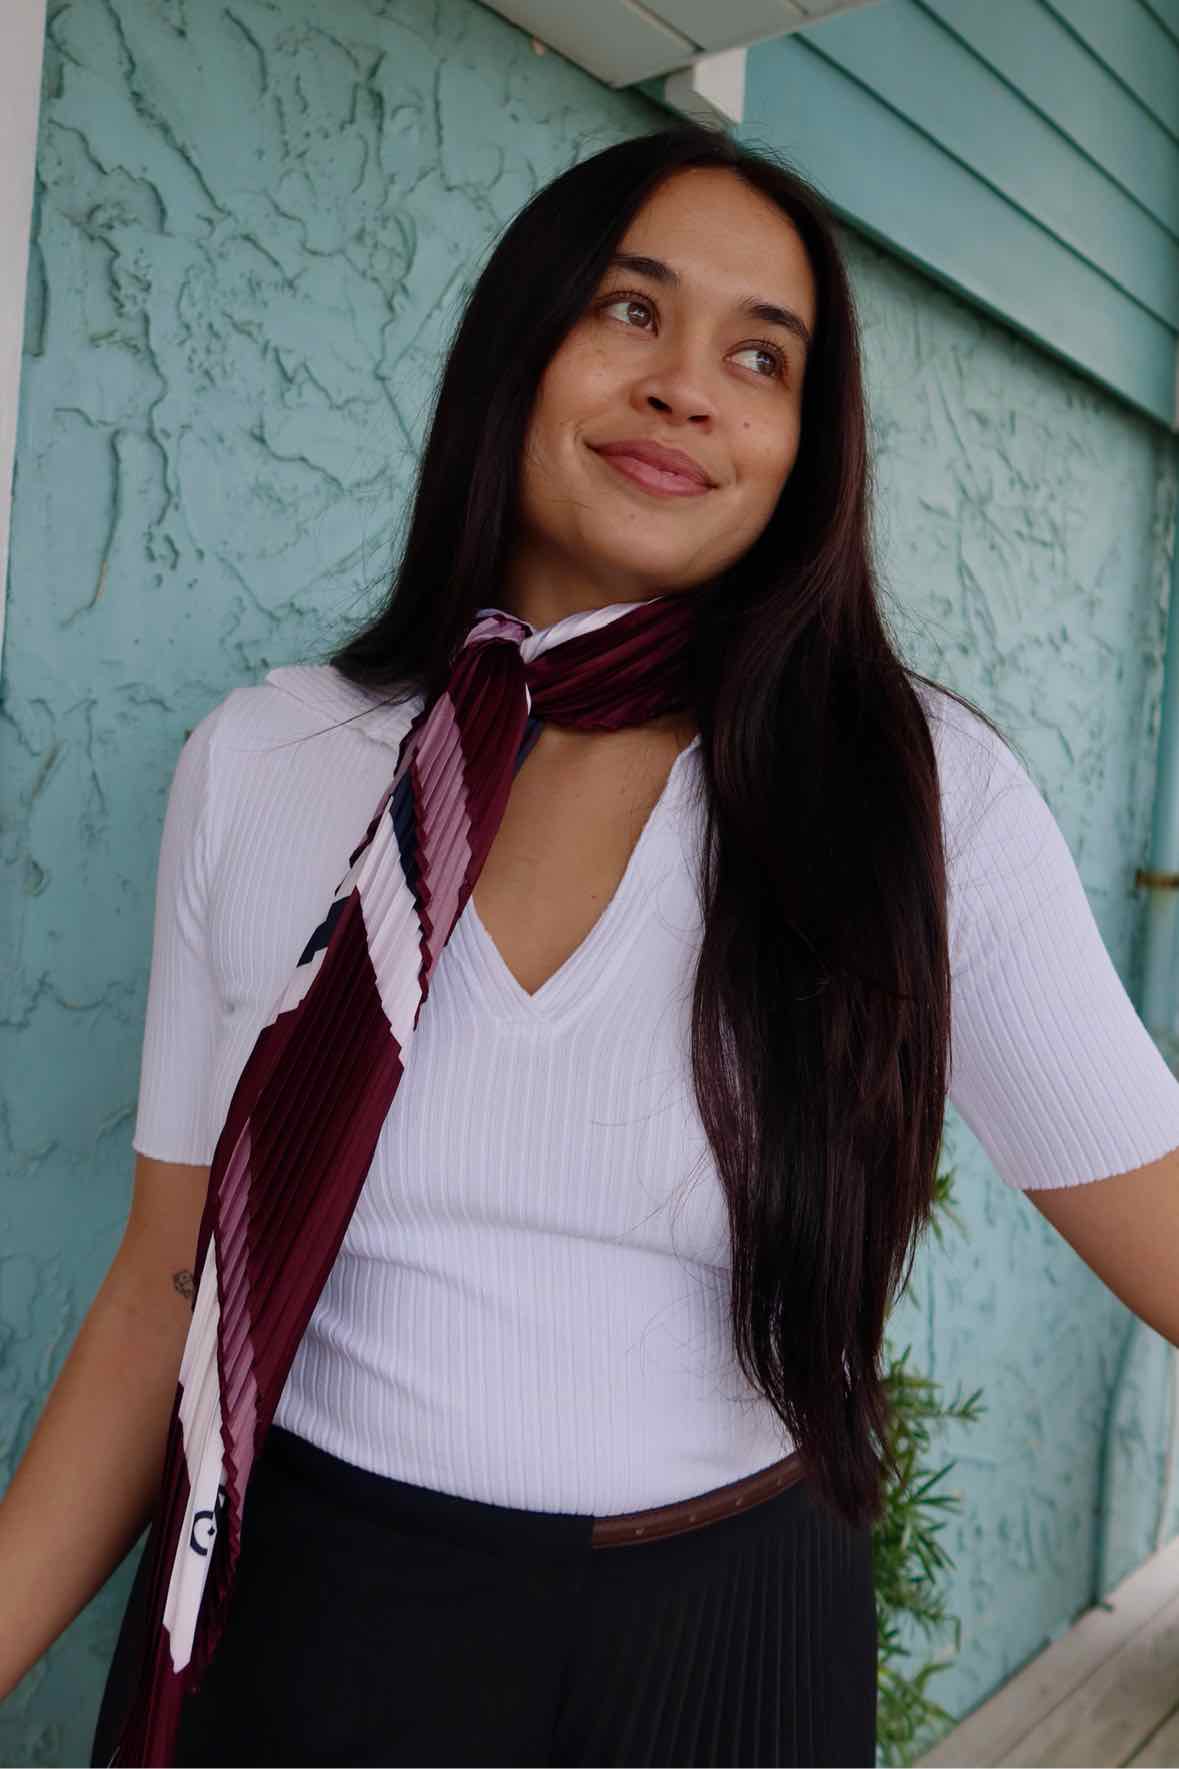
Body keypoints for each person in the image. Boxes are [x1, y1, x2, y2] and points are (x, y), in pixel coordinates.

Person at [4, 121, 1179, 1769]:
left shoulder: (910, 797)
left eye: (760, 356)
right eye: (632, 310)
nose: (687, 386)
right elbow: (163, 1293)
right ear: (519, 350)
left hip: (734, 1647)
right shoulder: (269, 766)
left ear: (803, 446)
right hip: (330, 1618)